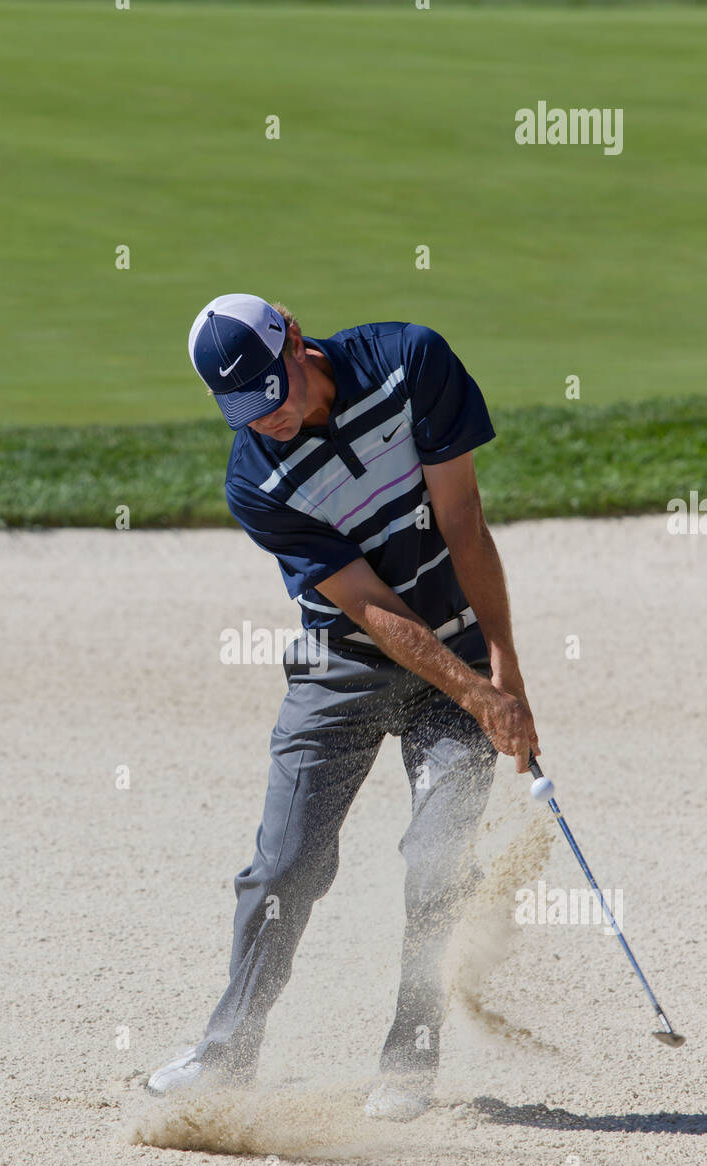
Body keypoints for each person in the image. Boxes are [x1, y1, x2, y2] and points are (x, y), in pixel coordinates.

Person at [147, 293, 539, 1120]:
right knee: (285, 865)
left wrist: (503, 667)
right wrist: (479, 695)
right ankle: (227, 1054)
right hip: (343, 667)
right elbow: (368, 607)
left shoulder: (410, 363)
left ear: (293, 338)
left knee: (438, 863)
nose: (270, 419)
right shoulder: (256, 478)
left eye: (274, 392)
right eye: (244, 409)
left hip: (461, 643)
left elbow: (462, 523)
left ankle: (410, 1061)